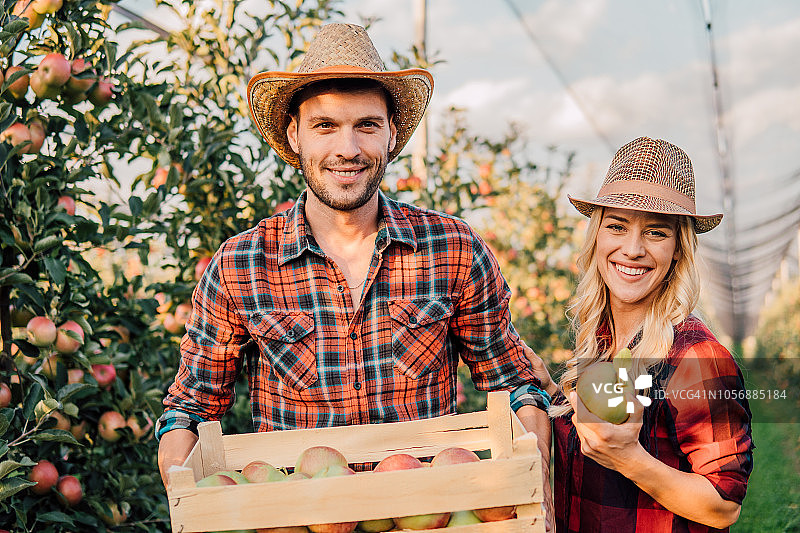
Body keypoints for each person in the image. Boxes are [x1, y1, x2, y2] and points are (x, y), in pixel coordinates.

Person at [156, 22, 553, 524]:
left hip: (426, 517)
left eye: (366, 125)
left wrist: (533, 475)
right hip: (301, 522)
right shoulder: (241, 265)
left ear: (391, 133)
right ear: (294, 135)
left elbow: (513, 383)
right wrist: (186, 495)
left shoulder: (452, 249)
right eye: (325, 126)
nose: (348, 148)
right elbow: (191, 409)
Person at [535, 137, 753, 532]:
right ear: (597, 236)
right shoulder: (603, 341)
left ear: (678, 249)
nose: (632, 249)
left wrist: (629, 459)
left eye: (655, 232)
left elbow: (723, 507)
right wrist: (552, 393)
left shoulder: (695, 357)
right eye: (617, 226)